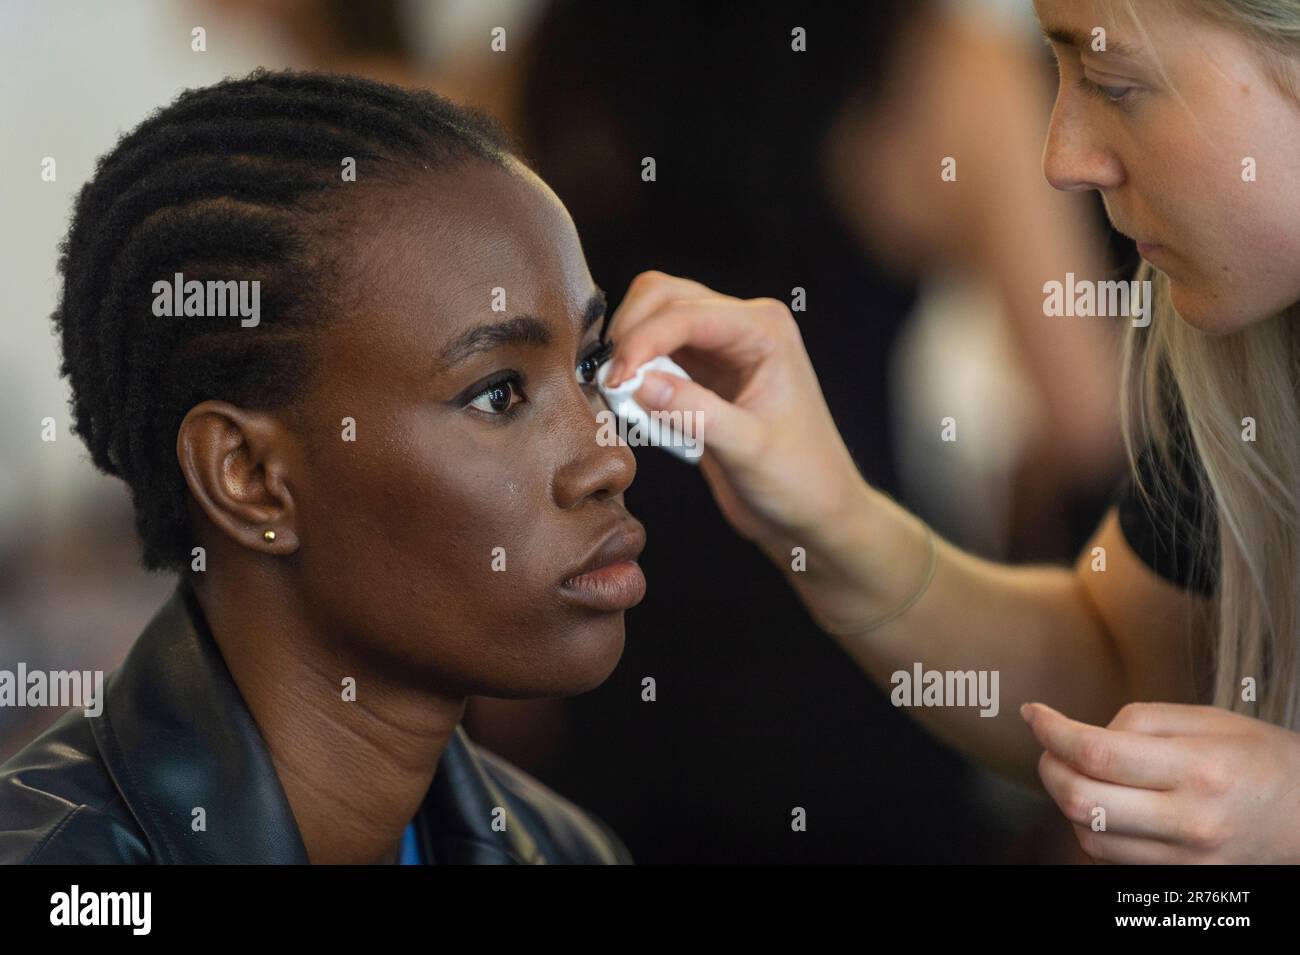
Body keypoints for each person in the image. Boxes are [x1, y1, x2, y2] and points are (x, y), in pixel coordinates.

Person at [603, 0, 1300, 863]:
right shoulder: (1238, 369)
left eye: (1116, 84)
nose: (1061, 160)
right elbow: (1123, 666)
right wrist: (833, 519)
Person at [0, 69, 640, 864]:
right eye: (498, 391)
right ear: (251, 476)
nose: (608, 457)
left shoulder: (563, 849)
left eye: (587, 365)